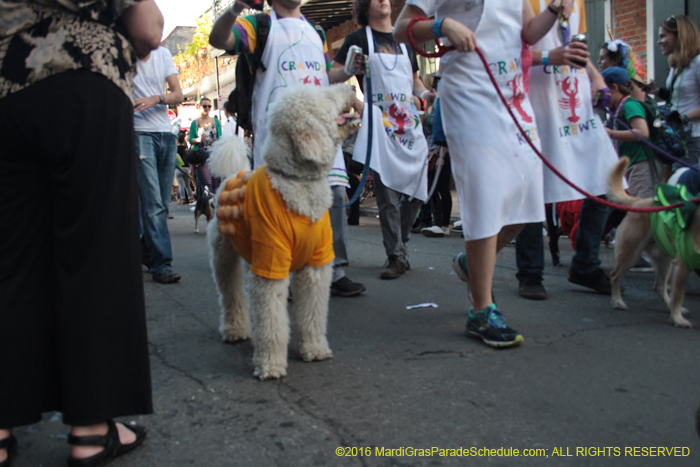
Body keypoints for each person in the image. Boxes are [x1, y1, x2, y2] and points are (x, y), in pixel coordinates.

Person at [0, 0, 162, 465]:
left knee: (8, 258)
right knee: (96, 251)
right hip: (83, 73)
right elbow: (147, 28)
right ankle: (91, 430)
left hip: (5, 88)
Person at [395, 0, 565, 347]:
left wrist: (554, 10)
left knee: (527, 197)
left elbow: (528, 32)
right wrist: (443, 26)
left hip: (513, 93)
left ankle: (472, 265)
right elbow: (403, 28)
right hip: (469, 91)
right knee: (485, 193)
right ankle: (481, 310)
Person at [209, 0, 366, 297]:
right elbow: (220, 40)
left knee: (330, 195)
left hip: (320, 131)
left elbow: (324, 75)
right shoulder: (259, 26)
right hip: (278, 139)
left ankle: (333, 271)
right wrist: (234, 9)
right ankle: (282, 270)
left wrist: (346, 74)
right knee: (278, 207)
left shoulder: (316, 31)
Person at [513, 0, 620, 300]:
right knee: (533, 187)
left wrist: (597, 80)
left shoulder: (578, 3)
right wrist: (552, 56)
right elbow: (510, 55)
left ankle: (586, 263)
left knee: (606, 180)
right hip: (538, 103)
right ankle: (531, 272)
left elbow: (577, 49)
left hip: (576, 104)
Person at [331, 0, 434, 279]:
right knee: (387, 194)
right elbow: (331, 76)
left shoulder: (404, 38)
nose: (383, 0)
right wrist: (358, 100)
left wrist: (425, 95)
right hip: (380, 126)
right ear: (365, 6)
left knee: (416, 191)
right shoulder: (357, 39)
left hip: (409, 125)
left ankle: (399, 242)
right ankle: (396, 256)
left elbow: (415, 80)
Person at [134, 45, 184, 284]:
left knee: (161, 204)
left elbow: (178, 94)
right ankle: (161, 265)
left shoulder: (163, 54)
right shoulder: (121, 53)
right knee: (153, 204)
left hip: (165, 133)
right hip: (139, 133)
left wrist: (157, 98)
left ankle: (144, 253)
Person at [602, 66, 659, 198]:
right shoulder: (616, 109)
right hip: (633, 164)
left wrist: (610, 133)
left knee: (640, 211)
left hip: (642, 164)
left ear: (614, 88)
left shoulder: (629, 104)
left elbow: (643, 132)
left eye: (601, 91)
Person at [658, 15, 700, 172]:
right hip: (676, 137)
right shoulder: (676, 66)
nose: (659, 42)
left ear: (679, 35)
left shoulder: (698, 63)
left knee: (685, 185)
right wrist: (658, 92)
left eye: (663, 36)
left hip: (694, 136)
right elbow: (680, 95)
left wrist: (684, 118)